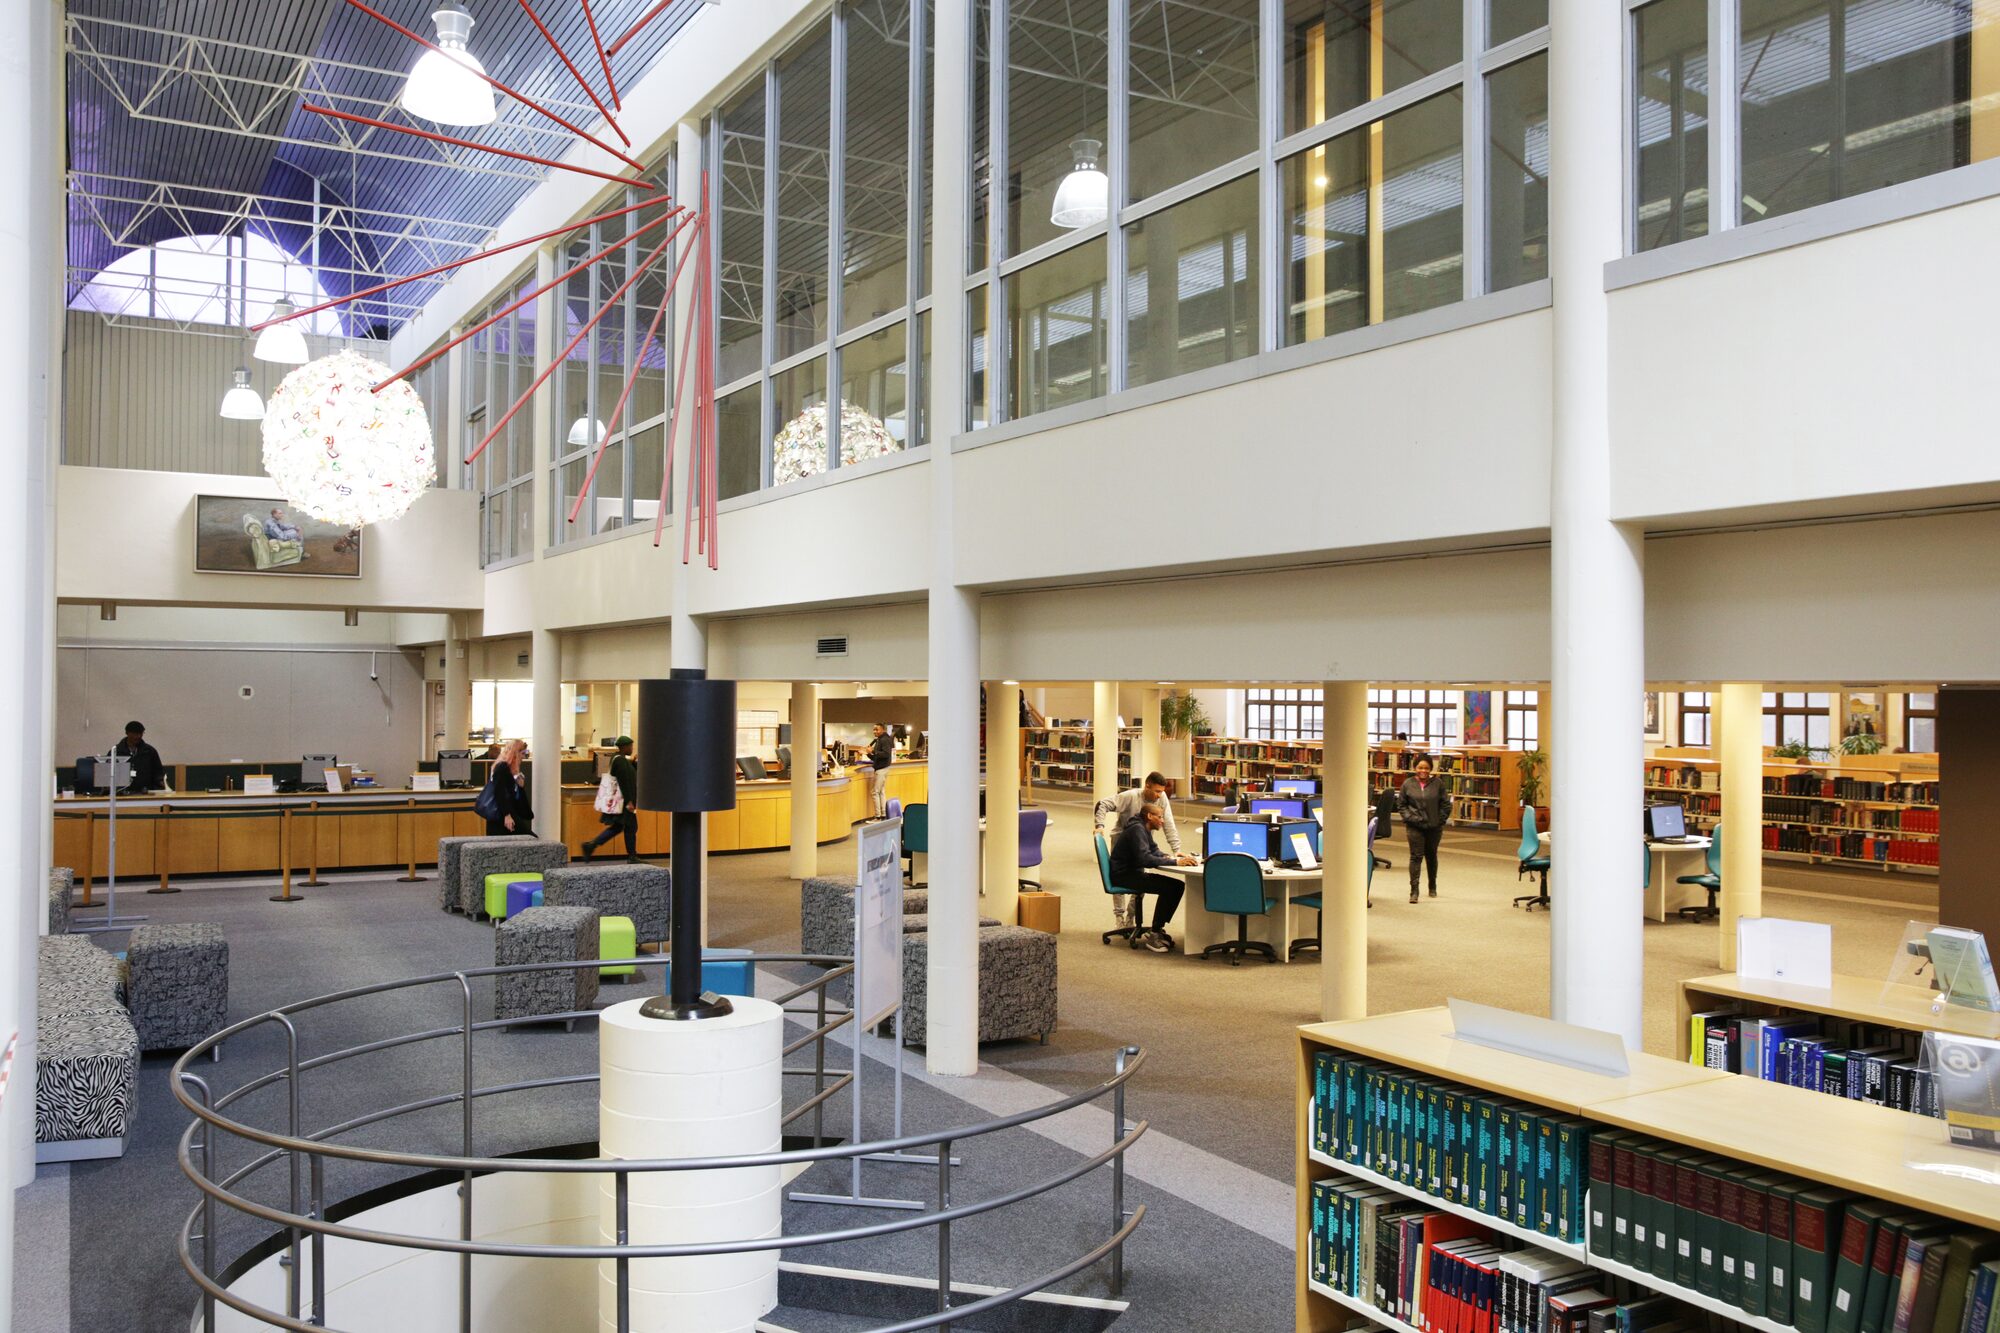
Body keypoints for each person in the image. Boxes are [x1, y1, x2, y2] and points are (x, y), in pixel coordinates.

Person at [1094, 771, 1184, 936]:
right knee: (1127, 880)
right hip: (1123, 839)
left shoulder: (1160, 799)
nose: (1159, 795)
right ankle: (1119, 918)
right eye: (1156, 791)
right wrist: (1100, 825)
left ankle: (1131, 918)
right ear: (1147, 786)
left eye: (1161, 792)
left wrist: (1175, 851)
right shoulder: (1130, 796)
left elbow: (1168, 823)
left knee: (1141, 882)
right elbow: (1102, 804)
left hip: (1143, 840)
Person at [1108, 804, 1193, 953]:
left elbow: (1153, 849)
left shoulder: (1142, 827)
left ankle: (1156, 928)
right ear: (1149, 816)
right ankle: (1154, 933)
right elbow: (1145, 859)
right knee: (1173, 887)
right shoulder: (1137, 829)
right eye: (1159, 817)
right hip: (1124, 876)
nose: (1162, 821)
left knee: (1176, 886)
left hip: (1131, 872)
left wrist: (1169, 856)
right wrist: (1174, 862)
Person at [1398, 755, 1452, 903]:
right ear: (1415, 768)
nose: (1423, 770)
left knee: (1431, 855)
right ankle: (1414, 890)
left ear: (1430, 769)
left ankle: (1432, 885)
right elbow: (1402, 805)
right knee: (1416, 856)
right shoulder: (1407, 784)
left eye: (1426, 768)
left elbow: (1446, 805)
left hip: (1434, 827)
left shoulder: (1438, 784)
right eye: (1420, 767)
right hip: (1414, 826)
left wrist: (1439, 820)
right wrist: (1411, 818)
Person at [581, 736, 638, 861]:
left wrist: (634, 762)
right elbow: (625, 782)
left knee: (622, 827)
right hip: (623, 802)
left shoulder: (619, 759)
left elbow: (629, 773)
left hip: (623, 801)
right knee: (630, 827)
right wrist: (629, 801)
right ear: (624, 747)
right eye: (630, 746)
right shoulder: (621, 761)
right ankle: (632, 856)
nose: (632, 748)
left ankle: (591, 845)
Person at [480, 739, 534, 836]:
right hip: (502, 815)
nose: (523, 757)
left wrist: (520, 786)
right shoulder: (502, 767)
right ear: (515, 753)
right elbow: (499, 792)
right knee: (531, 840)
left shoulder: (511, 768)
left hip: (507, 814)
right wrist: (507, 815)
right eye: (523, 753)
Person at [114, 720, 166, 793]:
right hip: (121, 794)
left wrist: (158, 787)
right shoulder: (116, 752)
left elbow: (158, 772)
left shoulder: (149, 751)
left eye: (140, 733)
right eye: (134, 734)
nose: (138, 736)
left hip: (146, 792)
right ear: (127, 733)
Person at [859, 723, 894, 819]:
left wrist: (873, 751)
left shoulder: (885, 740)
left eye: (877, 729)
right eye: (874, 729)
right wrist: (867, 753)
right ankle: (883, 815)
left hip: (882, 769)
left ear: (882, 730)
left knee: (875, 792)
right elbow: (876, 757)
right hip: (881, 768)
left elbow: (886, 754)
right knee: (881, 792)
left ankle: (878, 816)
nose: (875, 731)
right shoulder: (879, 740)